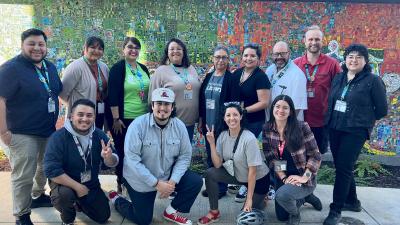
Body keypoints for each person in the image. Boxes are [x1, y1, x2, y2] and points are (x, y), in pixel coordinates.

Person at [108, 88, 203, 225]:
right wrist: (157, 184)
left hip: (166, 175)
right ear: (152, 105)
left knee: (195, 182)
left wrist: (172, 182)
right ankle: (117, 199)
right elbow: (132, 160)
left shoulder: (179, 126)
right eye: (159, 103)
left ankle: (171, 211)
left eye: (167, 104)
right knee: (143, 220)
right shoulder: (137, 126)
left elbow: (185, 156)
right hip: (139, 180)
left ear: (172, 107)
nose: (162, 108)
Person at [0, 28, 62, 225]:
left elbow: (57, 93)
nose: (37, 48)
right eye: (32, 44)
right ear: (22, 46)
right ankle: (21, 214)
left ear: (46, 47)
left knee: (44, 167)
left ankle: (36, 196)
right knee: (23, 175)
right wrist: (3, 131)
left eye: (41, 44)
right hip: (21, 132)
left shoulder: (50, 68)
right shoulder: (11, 69)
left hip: (47, 130)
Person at [323, 44, 388, 225]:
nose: (354, 60)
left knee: (343, 168)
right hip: (335, 127)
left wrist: (362, 119)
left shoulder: (373, 81)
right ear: (345, 59)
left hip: (355, 131)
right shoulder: (339, 77)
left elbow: (382, 110)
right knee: (343, 166)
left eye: (358, 57)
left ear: (365, 61)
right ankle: (352, 201)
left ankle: (336, 210)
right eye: (350, 56)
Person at [43, 99, 119, 225]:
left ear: (94, 117)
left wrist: (108, 157)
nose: (85, 119)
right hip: (65, 184)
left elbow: (113, 162)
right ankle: (68, 219)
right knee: (64, 196)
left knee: (103, 216)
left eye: (89, 115)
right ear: (71, 116)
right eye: (80, 114)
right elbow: (51, 170)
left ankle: (80, 202)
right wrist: (78, 187)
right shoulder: (58, 138)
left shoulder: (99, 135)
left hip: (90, 183)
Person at [198, 102, 270, 225]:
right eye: (228, 115)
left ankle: (261, 199)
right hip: (239, 175)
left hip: (257, 180)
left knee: (244, 218)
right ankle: (214, 212)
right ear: (224, 118)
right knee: (210, 173)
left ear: (241, 117)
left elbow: (252, 172)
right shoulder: (222, 136)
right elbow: (217, 165)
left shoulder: (249, 138)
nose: (232, 118)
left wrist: (248, 200)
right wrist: (211, 144)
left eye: (235, 115)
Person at [263, 95, 321, 225]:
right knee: (281, 217)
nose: (280, 110)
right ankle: (303, 197)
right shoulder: (267, 128)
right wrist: (283, 177)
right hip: (283, 173)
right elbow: (270, 157)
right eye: (277, 106)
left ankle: (297, 211)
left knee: (283, 196)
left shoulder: (302, 127)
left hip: (302, 175)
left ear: (291, 111)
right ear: (272, 108)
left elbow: (315, 155)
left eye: (285, 108)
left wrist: (304, 178)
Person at [107, 37, 150, 193]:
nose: (133, 50)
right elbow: (112, 95)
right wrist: (116, 119)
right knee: (124, 151)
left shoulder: (143, 69)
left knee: (140, 152)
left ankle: (137, 182)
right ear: (123, 49)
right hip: (123, 120)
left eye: (137, 48)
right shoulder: (118, 69)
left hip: (142, 118)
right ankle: (121, 182)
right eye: (130, 47)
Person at [230, 43, 271, 202]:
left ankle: (249, 187)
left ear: (258, 59)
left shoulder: (261, 77)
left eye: (252, 56)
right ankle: (242, 181)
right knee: (239, 154)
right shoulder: (237, 73)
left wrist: (244, 111)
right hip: (237, 122)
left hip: (254, 122)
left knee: (250, 155)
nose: (248, 58)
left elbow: (264, 102)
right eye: (246, 55)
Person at [294, 25, 341, 154]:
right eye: (310, 39)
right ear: (304, 41)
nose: (313, 43)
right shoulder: (295, 64)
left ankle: (312, 175)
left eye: (317, 39)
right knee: (298, 155)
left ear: (322, 41)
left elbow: (339, 91)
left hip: (322, 121)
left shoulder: (332, 64)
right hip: (299, 120)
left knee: (317, 156)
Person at [199, 46, 235, 199]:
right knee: (210, 157)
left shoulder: (230, 79)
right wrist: (201, 120)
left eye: (224, 57)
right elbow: (202, 100)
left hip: (222, 126)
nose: (220, 60)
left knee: (222, 158)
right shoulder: (208, 76)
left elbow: (233, 105)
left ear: (228, 60)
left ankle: (221, 189)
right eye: (217, 57)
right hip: (208, 125)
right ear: (213, 59)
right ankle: (211, 186)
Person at [148, 38, 201, 141]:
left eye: (179, 49)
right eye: (172, 49)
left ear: (183, 52)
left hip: (190, 123)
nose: (175, 51)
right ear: (167, 52)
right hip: (170, 123)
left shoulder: (191, 69)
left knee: (185, 153)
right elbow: (152, 98)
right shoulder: (161, 71)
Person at [60, 36, 109, 129]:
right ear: (85, 48)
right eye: (93, 47)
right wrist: (74, 106)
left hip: (99, 110)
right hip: (81, 114)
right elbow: (62, 93)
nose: (96, 51)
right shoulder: (75, 67)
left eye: (100, 49)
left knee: (96, 138)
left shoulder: (103, 67)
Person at [265, 41, 307, 121]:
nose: (279, 57)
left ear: (289, 53)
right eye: (276, 54)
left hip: (287, 126)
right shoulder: (269, 70)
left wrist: (283, 127)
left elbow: (297, 108)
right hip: (269, 123)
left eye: (283, 53)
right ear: (272, 55)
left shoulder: (297, 75)